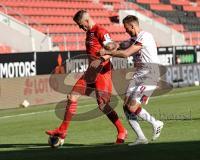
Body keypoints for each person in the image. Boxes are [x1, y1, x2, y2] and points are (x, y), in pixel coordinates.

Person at [46, 10, 127, 144]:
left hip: (102, 73)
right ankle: (62, 130)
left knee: (102, 105)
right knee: (72, 96)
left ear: (86, 21)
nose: (80, 27)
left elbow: (112, 49)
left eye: (80, 24)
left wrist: (103, 56)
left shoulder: (100, 31)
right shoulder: (89, 33)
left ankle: (122, 130)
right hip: (91, 72)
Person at [100, 15, 164, 146]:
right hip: (139, 74)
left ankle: (155, 123)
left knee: (132, 105)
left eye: (126, 28)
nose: (125, 31)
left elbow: (125, 54)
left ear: (133, 26)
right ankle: (141, 137)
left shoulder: (145, 36)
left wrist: (108, 53)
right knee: (126, 107)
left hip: (150, 74)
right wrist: (108, 49)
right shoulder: (134, 39)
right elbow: (119, 47)